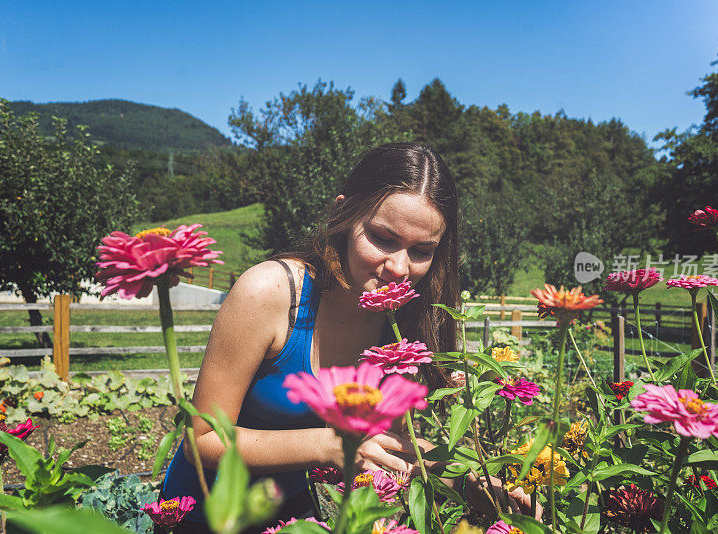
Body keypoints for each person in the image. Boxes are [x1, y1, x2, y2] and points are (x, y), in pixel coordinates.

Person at [159, 143, 531, 533]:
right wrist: (333, 446)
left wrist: (472, 480)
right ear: (343, 213)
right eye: (383, 238)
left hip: (296, 520)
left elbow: (387, 442)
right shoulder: (270, 291)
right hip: (203, 515)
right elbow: (200, 441)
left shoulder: (406, 320)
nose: (399, 268)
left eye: (422, 250)